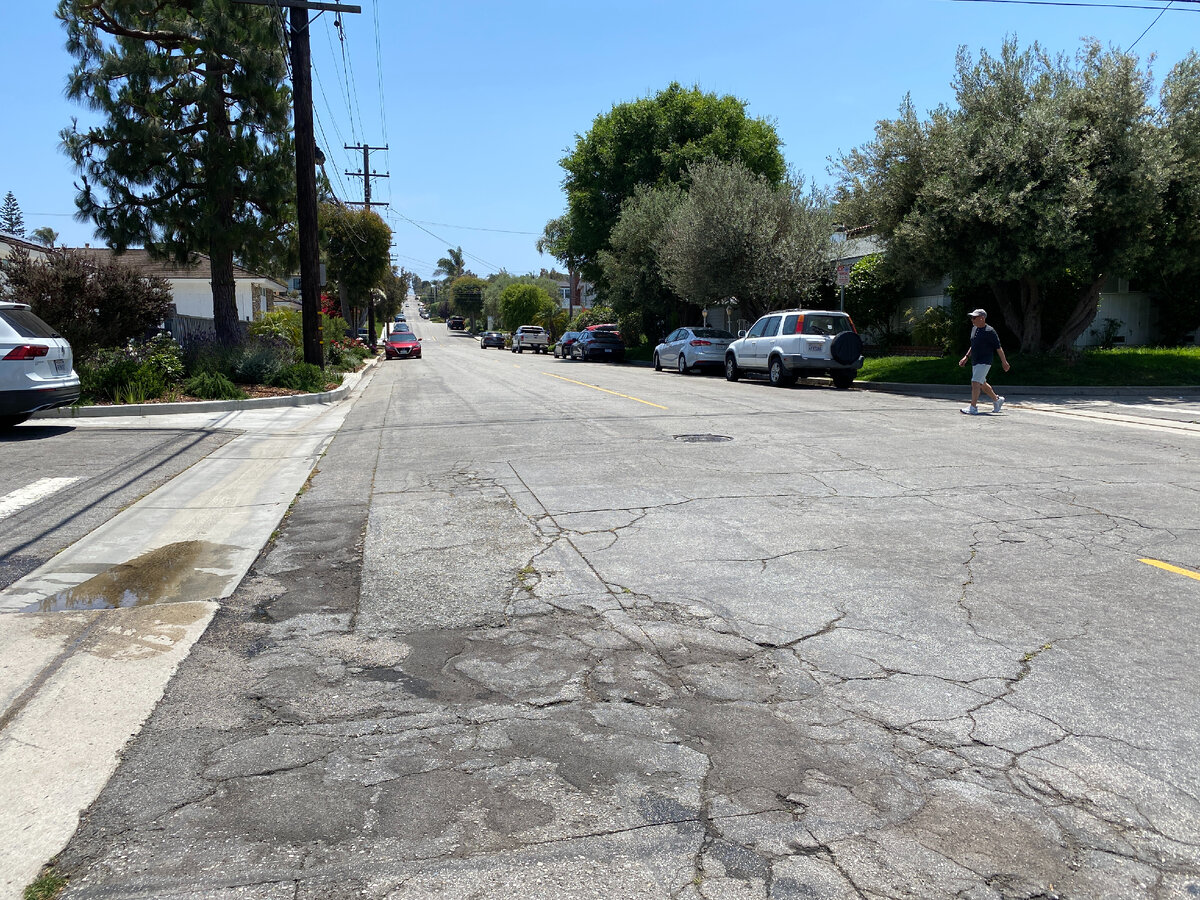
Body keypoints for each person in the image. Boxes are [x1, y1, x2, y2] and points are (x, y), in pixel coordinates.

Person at [958, 309, 1010, 415]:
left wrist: (1004, 362)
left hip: (985, 361)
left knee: (975, 382)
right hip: (975, 360)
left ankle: (973, 407)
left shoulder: (990, 331)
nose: (972, 320)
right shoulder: (974, 329)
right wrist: (966, 357)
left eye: (974, 317)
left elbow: (998, 348)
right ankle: (997, 400)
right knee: (982, 384)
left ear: (982, 318)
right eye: (972, 317)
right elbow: (973, 345)